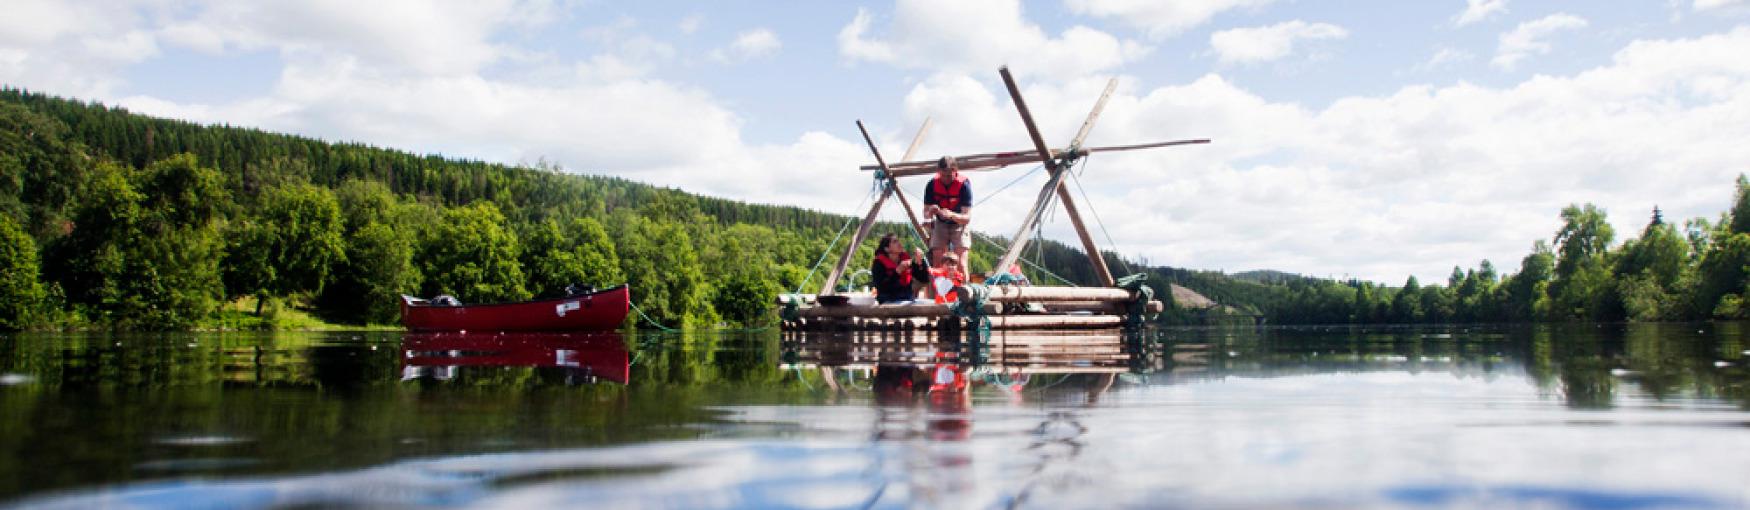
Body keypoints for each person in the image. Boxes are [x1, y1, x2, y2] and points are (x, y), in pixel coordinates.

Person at [923, 156, 972, 281]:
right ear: (938, 172)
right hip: (940, 223)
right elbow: (926, 213)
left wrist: (951, 214)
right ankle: (938, 291)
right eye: (943, 175)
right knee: (937, 262)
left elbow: (967, 217)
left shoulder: (964, 185)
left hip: (959, 223)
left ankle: (964, 290)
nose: (946, 179)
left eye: (949, 176)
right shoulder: (932, 185)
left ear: (955, 171)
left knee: (961, 263)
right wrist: (930, 211)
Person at [870, 233, 931, 304]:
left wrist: (920, 263)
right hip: (888, 300)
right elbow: (882, 288)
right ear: (887, 249)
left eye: (898, 240)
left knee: (931, 304)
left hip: (907, 298)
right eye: (894, 242)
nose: (899, 243)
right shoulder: (878, 263)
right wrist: (897, 272)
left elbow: (924, 279)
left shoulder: (905, 259)